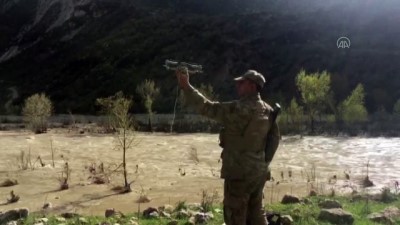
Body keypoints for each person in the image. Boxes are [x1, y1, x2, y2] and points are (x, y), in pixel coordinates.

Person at [176, 68, 280, 225]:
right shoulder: (268, 110)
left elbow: (206, 107)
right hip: (259, 172)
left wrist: (186, 86)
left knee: (235, 215)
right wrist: (263, 162)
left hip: (239, 173)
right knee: (256, 211)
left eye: (242, 83)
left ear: (252, 86)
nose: (237, 85)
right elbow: (275, 139)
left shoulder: (237, 109)